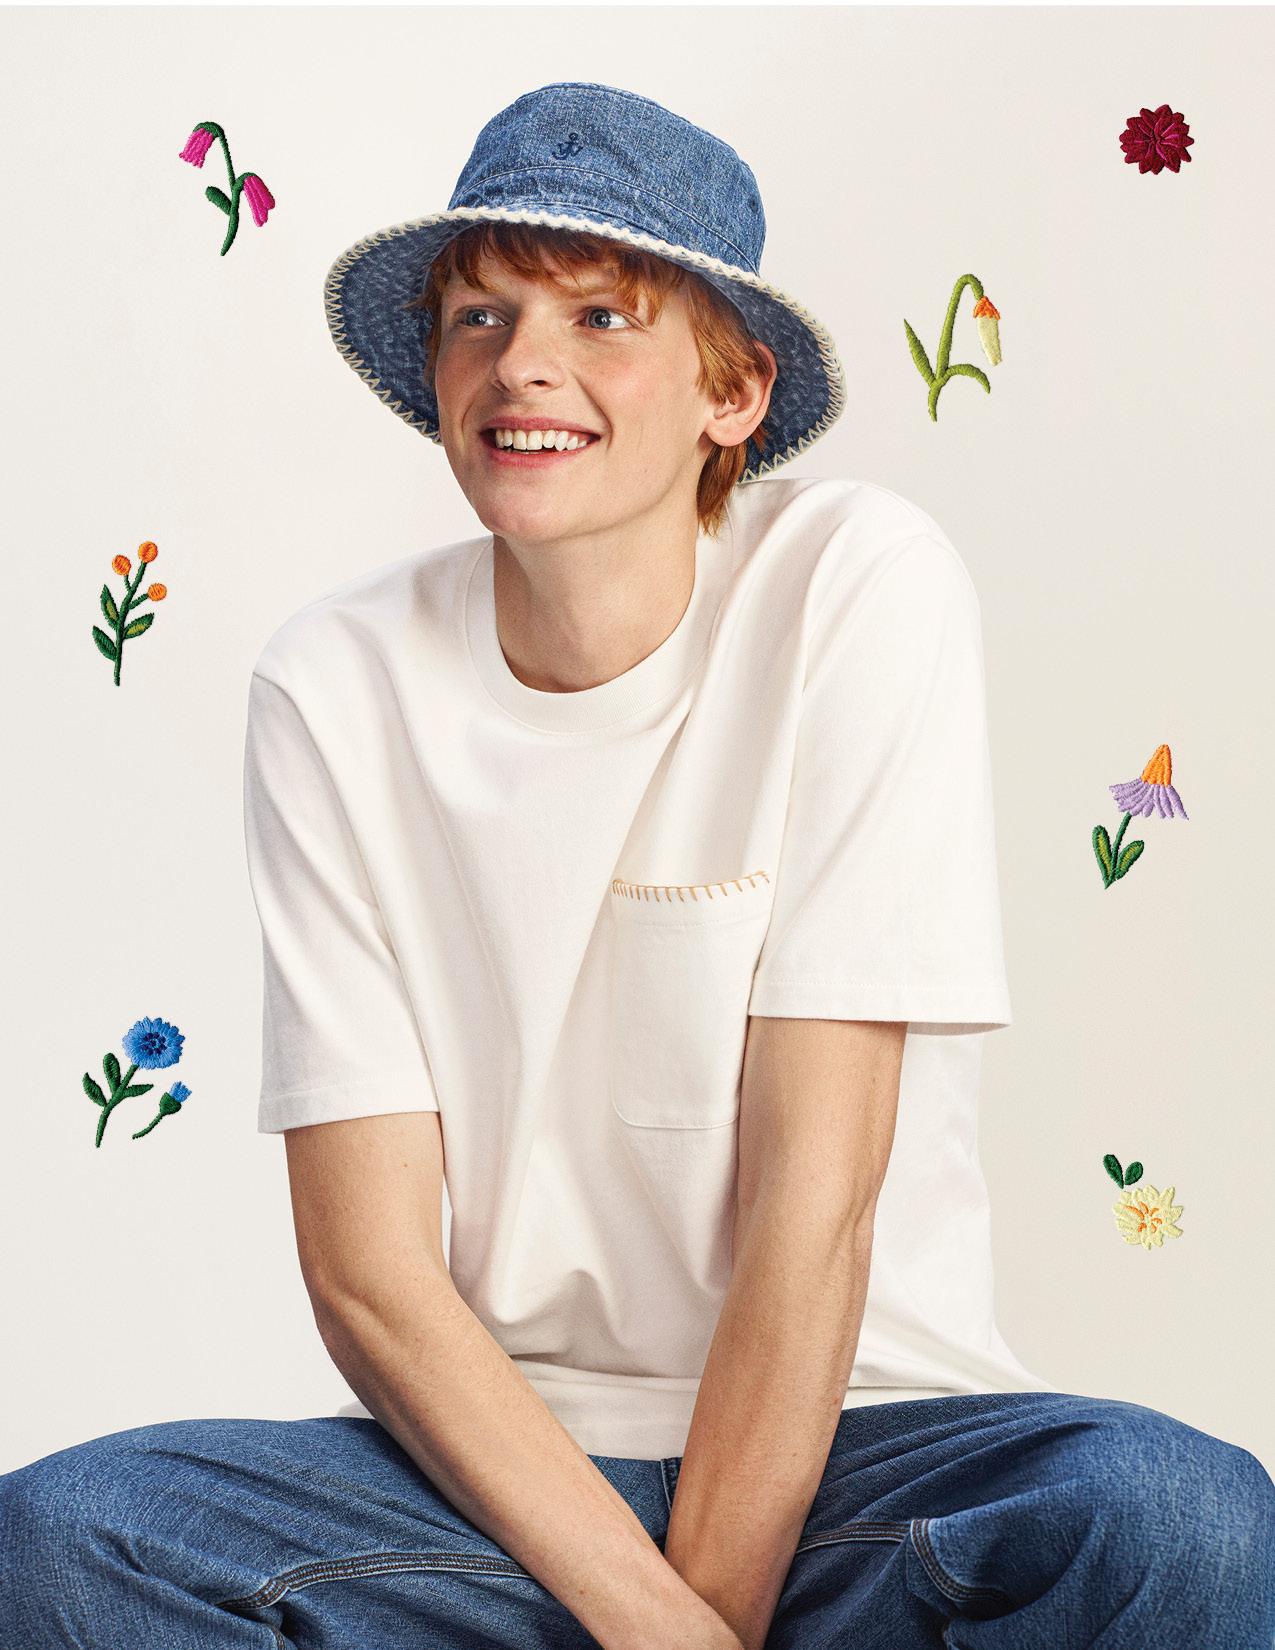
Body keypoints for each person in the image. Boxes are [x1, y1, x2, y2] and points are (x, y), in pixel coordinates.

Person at [2, 80, 1272, 1650]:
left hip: (866, 1450)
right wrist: (646, 1619)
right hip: (496, 1493)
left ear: (733, 390)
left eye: (602, 314)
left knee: (1184, 1520)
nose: (521, 362)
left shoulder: (856, 587)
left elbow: (819, 1198)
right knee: (55, 1542)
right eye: (478, 315)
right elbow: (372, 1275)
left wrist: (694, 1626)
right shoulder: (329, 686)